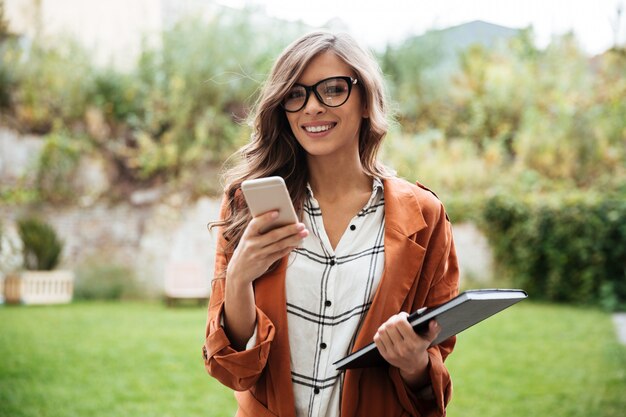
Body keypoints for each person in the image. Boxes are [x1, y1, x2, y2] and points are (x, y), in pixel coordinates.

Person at [203, 31, 459, 417]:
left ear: (365, 99)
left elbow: (431, 379)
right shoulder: (247, 203)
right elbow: (230, 366)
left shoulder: (424, 215)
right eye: (295, 94)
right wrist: (238, 277)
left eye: (333, 89)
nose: (312, 107)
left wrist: (413, 362)